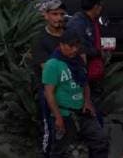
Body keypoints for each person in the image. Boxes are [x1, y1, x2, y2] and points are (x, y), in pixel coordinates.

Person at [40, 29, 109, 158]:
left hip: (82, 112)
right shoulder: (52, 65)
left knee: (100, 140)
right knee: (60, 150)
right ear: (61, 45)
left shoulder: (78, 61)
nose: (75, 50)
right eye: (71, 46)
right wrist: (58, 117)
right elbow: (49, 94)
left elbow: (85, 83)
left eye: (77, 46)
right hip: (65, 114)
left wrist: (87, 102)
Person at [66, 0, 107, 94]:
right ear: (96, 7)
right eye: (100, 5)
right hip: (83, 71)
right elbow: (81, 49)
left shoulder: (90, 20)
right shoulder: (78, 24)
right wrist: (98, 52)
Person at [31, 0, 68, 80]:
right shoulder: (39, 39)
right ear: (46, 16)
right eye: (54, 14)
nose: (59, 18)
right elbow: (47, 69)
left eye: (62, 14)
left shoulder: (71, 33)